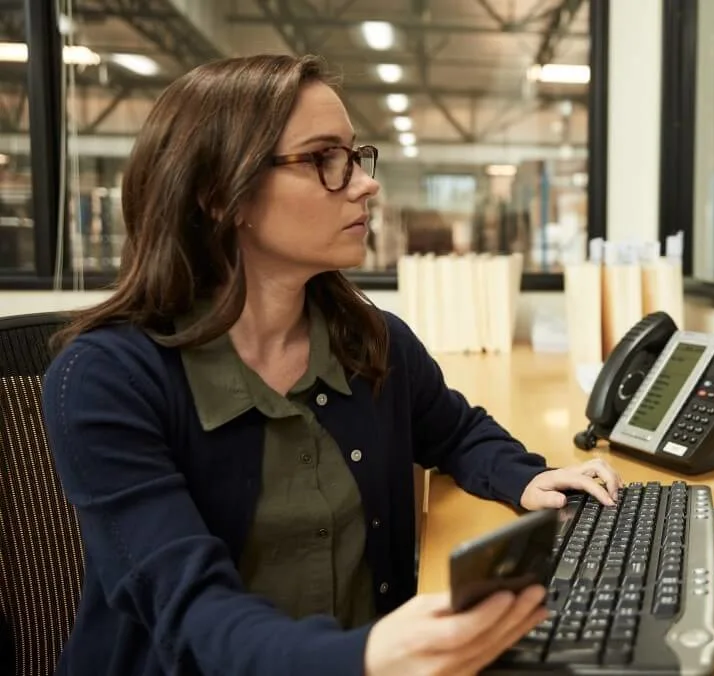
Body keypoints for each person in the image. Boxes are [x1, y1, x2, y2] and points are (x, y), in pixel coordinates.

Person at [41, 54, 622, 676]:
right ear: (219, 195)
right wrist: (363, 657)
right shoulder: (107, 379)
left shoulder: (370, 341)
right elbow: (189, 610)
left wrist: (521, 475)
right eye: (323, 159)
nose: (365, 184)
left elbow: (454, 430)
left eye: (355, 156)